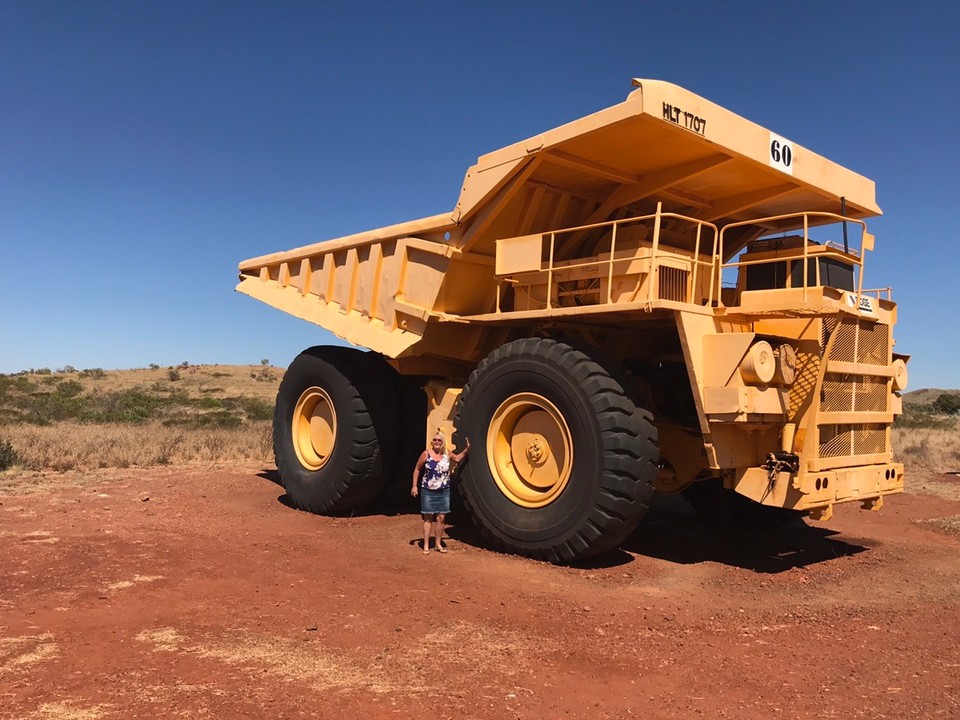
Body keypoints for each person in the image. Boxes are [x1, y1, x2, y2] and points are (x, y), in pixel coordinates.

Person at [411, 430, 470, 554]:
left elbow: (458, 459)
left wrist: (466, 449)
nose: (437, 442)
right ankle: (426, 545)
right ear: (432, 442)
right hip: (428, 490)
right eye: (435, 440)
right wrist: (414, 486)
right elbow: (417, 469)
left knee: (441, 518)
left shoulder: (447, 454)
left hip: (443, 491)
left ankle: (438, 544)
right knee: (428, 518)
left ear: (443, 442)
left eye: (439, 440)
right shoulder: (426, 454)